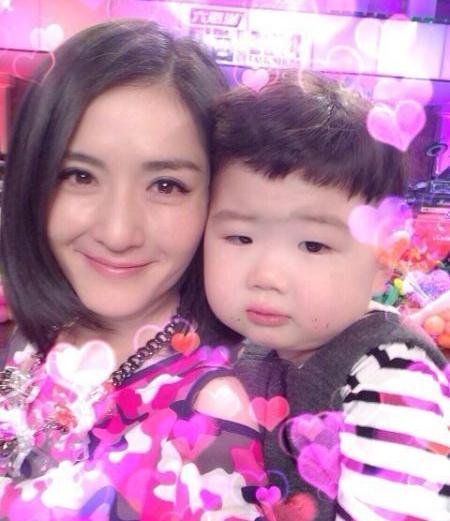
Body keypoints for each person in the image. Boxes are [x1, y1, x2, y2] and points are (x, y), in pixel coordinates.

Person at [0, 20, 265, 520]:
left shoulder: (208, 423)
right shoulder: (33, 341)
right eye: (80, 175)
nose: (119, 232)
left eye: (166, 185)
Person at [204, 73, 450, 520]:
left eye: (314, 246)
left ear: (384, 260)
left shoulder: (391, 376)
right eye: (240, 237)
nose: (267, 276)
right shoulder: (250, 350)